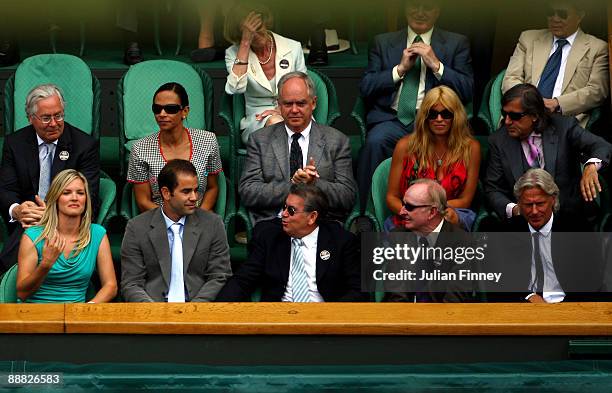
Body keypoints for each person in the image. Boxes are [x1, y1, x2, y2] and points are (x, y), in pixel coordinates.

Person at [357, 0, 474, 209]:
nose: (420, 13)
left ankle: (433, 211)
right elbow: (366, 88)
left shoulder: (456, 43)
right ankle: (368, 212)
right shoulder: (383, 42)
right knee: (375, 142)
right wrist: (399, 70)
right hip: (392, 119)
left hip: (435, 121)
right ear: (404, 8)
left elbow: (467, 90)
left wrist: (437, 66)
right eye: (414, 6)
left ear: (437, 11)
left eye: (427, 7)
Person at [0, 84, 100, 274]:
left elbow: (90, 195)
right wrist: (17, 210)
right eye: (46, 118)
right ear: (30, 118)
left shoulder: (84, 145)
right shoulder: (15, 143)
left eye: (58, 115)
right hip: (27, 221)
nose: (54, 123)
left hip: (68, 220)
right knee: (24, 241)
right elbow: (6, 189)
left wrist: (50, 215)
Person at [484, 83, 611, 225]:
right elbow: (492, 189)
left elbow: (601, 146)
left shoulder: (564, 127)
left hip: (570, 218)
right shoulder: (499, 141)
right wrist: (515, 209)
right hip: (525, 224)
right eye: (504, 114)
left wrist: (591, 166)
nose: (507, 121)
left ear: (534, 115)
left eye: (514, 116)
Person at [239, 71, 357, 224]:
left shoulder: (337, 141)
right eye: (288, 104)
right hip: (275, 222)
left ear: (313, 103)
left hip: (321, 222)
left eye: (301, 103)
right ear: (279, 104)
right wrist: (294, 186)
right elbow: (248, 192)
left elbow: (347, 196)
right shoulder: (260, 140)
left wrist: (314, 184)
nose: (294, 110)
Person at [217, 184, 366, 302]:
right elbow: (242, 280)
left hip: (324, 319)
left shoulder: (341, 241)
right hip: (279, 317)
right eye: (284, 208)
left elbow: (358, 290)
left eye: (292, 210)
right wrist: (217, 311)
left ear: (312, 217)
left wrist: (332, 316)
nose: (284, 214)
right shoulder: (269, 238)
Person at [486, 169, 607, 303]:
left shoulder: (576, 228)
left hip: (571, 307)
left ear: (553, 200)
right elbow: (498, 280)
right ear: (519, 203)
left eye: (540, 204)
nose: (534, 211)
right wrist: (528, 296)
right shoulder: (507, 232)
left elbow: (592, 280)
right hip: (525, 309)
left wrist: (565, 309)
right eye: (528, 205)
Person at [121, 160, 232, 302]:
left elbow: (220, 275)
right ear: (166, 193)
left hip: (199, 310)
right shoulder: (137, 227)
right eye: (186, 191)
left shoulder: (212, 224)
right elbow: (131, 283)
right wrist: (152, 311)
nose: (194, 198)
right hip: (152, 311)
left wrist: (195, 309)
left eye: (196, 190)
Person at [502, 0, 609, 128]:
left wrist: (556, 103)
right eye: (550, 13)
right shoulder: (528, 38)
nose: (555, 19)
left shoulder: (597, 48)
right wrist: (528, 102)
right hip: (523, 117)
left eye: (562, 14)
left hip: (564, 120)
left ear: (580, 16)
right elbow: (510, 78)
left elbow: (597, 91)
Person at [386, 86, 480, 231]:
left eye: (446, 114)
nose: (439, 119)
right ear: (424, 117)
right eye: (432, 114)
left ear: (456, 116)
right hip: (410, 212)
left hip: (451, 211)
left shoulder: (471, 148)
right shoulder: (405, 146)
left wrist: (435, 212)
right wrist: (415, 213)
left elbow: (465, 200)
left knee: (451, 221)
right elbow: (392, 197)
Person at [16, 169, 117, 303]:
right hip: (35, 313)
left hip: (77, 316)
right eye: (66, 193)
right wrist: (46, 264)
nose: (74, 198)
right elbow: (22, 293)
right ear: (56, 198)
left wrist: (89, 308)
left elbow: (111, 286)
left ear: (86, 199)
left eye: (80, 193)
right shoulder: (33, 236)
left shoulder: (97, 234)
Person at [127, 82, 222, 213]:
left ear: (185, 111)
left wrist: (198, 217)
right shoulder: (140, 148)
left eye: (170, 109)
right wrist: (173, 220)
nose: (162, 114)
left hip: (198, 217)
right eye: (157, 108)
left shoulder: (208, 140)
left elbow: (212, 188)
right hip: (159, 219)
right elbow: (143, 201)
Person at [223, 2, 307, 144]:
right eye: (248, 31)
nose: (255, 34)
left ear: (265, 22)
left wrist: (282, 110)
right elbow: (236, 88)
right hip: (257, 119)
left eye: (258, 27)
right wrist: (245, 43)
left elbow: (304, 89)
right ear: (240, 33)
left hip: (294, 110)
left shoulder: (293, 47)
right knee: (276, 124)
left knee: (285, 123)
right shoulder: (233, 53)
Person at [383, 179, 473, 303]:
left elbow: (455, 299)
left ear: (432, 212)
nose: (402, 211)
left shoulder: (462, 243)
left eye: (409, 207)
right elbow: (396, 293)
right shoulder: (399, 236)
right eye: (403, 205)